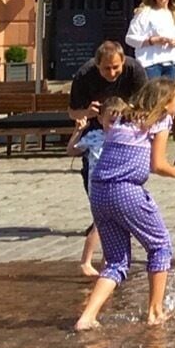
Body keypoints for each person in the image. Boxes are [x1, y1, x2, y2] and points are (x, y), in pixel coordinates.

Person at [76, 80, 175, 329]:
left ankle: (87, 317)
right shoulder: (161, 120)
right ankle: (155, 312)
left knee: (116, 261)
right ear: (164, 102)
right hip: (126, 190)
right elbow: (156, 164)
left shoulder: (123, 118)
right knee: (160, 245)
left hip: (99, 192)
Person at [68, 98, 107, 277]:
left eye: (118, 121)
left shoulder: (122, 135)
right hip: (98, 186)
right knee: (100, 223)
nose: (114, 125)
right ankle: (86, 261)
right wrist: (78, 131)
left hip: (115, 185)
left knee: (113, 224)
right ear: (100, 119)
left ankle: (109, 260)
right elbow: (72, 150)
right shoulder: (95, 136)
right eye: (111, 121)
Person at [125, 0, 175, 81]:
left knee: (168, 97)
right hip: (150, 64)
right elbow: (129, 39)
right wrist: (152, 41)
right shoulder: (145, 12)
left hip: (171, 64)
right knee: (152, 96)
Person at [70, 42, 146, 120]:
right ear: (97, 65)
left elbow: (146, 106)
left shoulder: (134, 70)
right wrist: (86, 113)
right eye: (107, 68)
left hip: (128, 123)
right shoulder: (84, 75)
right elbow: (72, 113)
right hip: (96, 125)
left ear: (123, 61)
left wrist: (131, 110)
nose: (112, 73)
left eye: (115, 67)